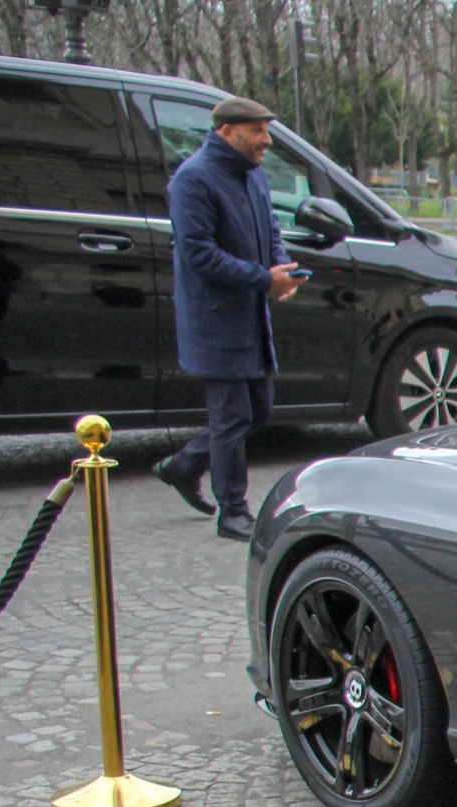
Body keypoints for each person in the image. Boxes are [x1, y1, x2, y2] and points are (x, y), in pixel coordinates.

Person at [153, 94, 305, 542]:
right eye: (257, 131)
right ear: (227, 131)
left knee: (258, 410)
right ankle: (233, 512)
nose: (267, 140)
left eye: (266, 129)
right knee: (231, 416)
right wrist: (263, 279)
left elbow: (271, 230)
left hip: (250, 313)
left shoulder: (251, 173)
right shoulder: (192, 180)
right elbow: (199, 254)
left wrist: (283, 269)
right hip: (215, 319)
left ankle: (183, 466)